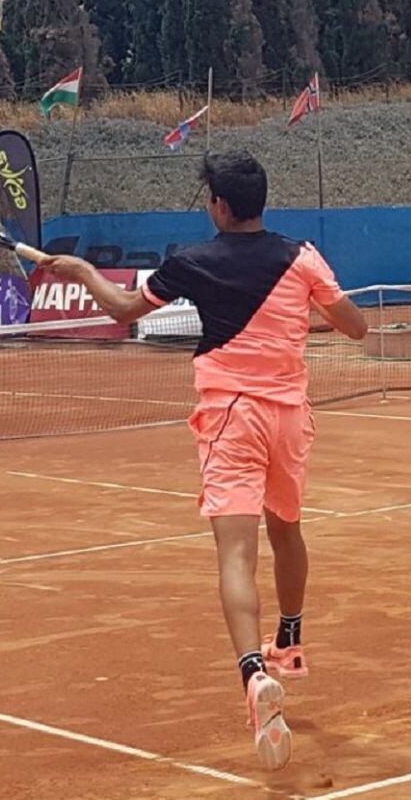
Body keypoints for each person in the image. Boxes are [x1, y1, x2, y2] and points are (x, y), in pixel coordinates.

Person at [38, 150, 367, 770]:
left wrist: (83, 269)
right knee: (287, 528)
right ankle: (289, 643)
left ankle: (252, 675)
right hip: (290, 418)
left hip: (231, 419)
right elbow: (354, 327)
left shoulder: (190, 262)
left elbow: (123, 311)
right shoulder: (302, 255)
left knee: (236, 552)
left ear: (218, 204)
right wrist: (302, 317)